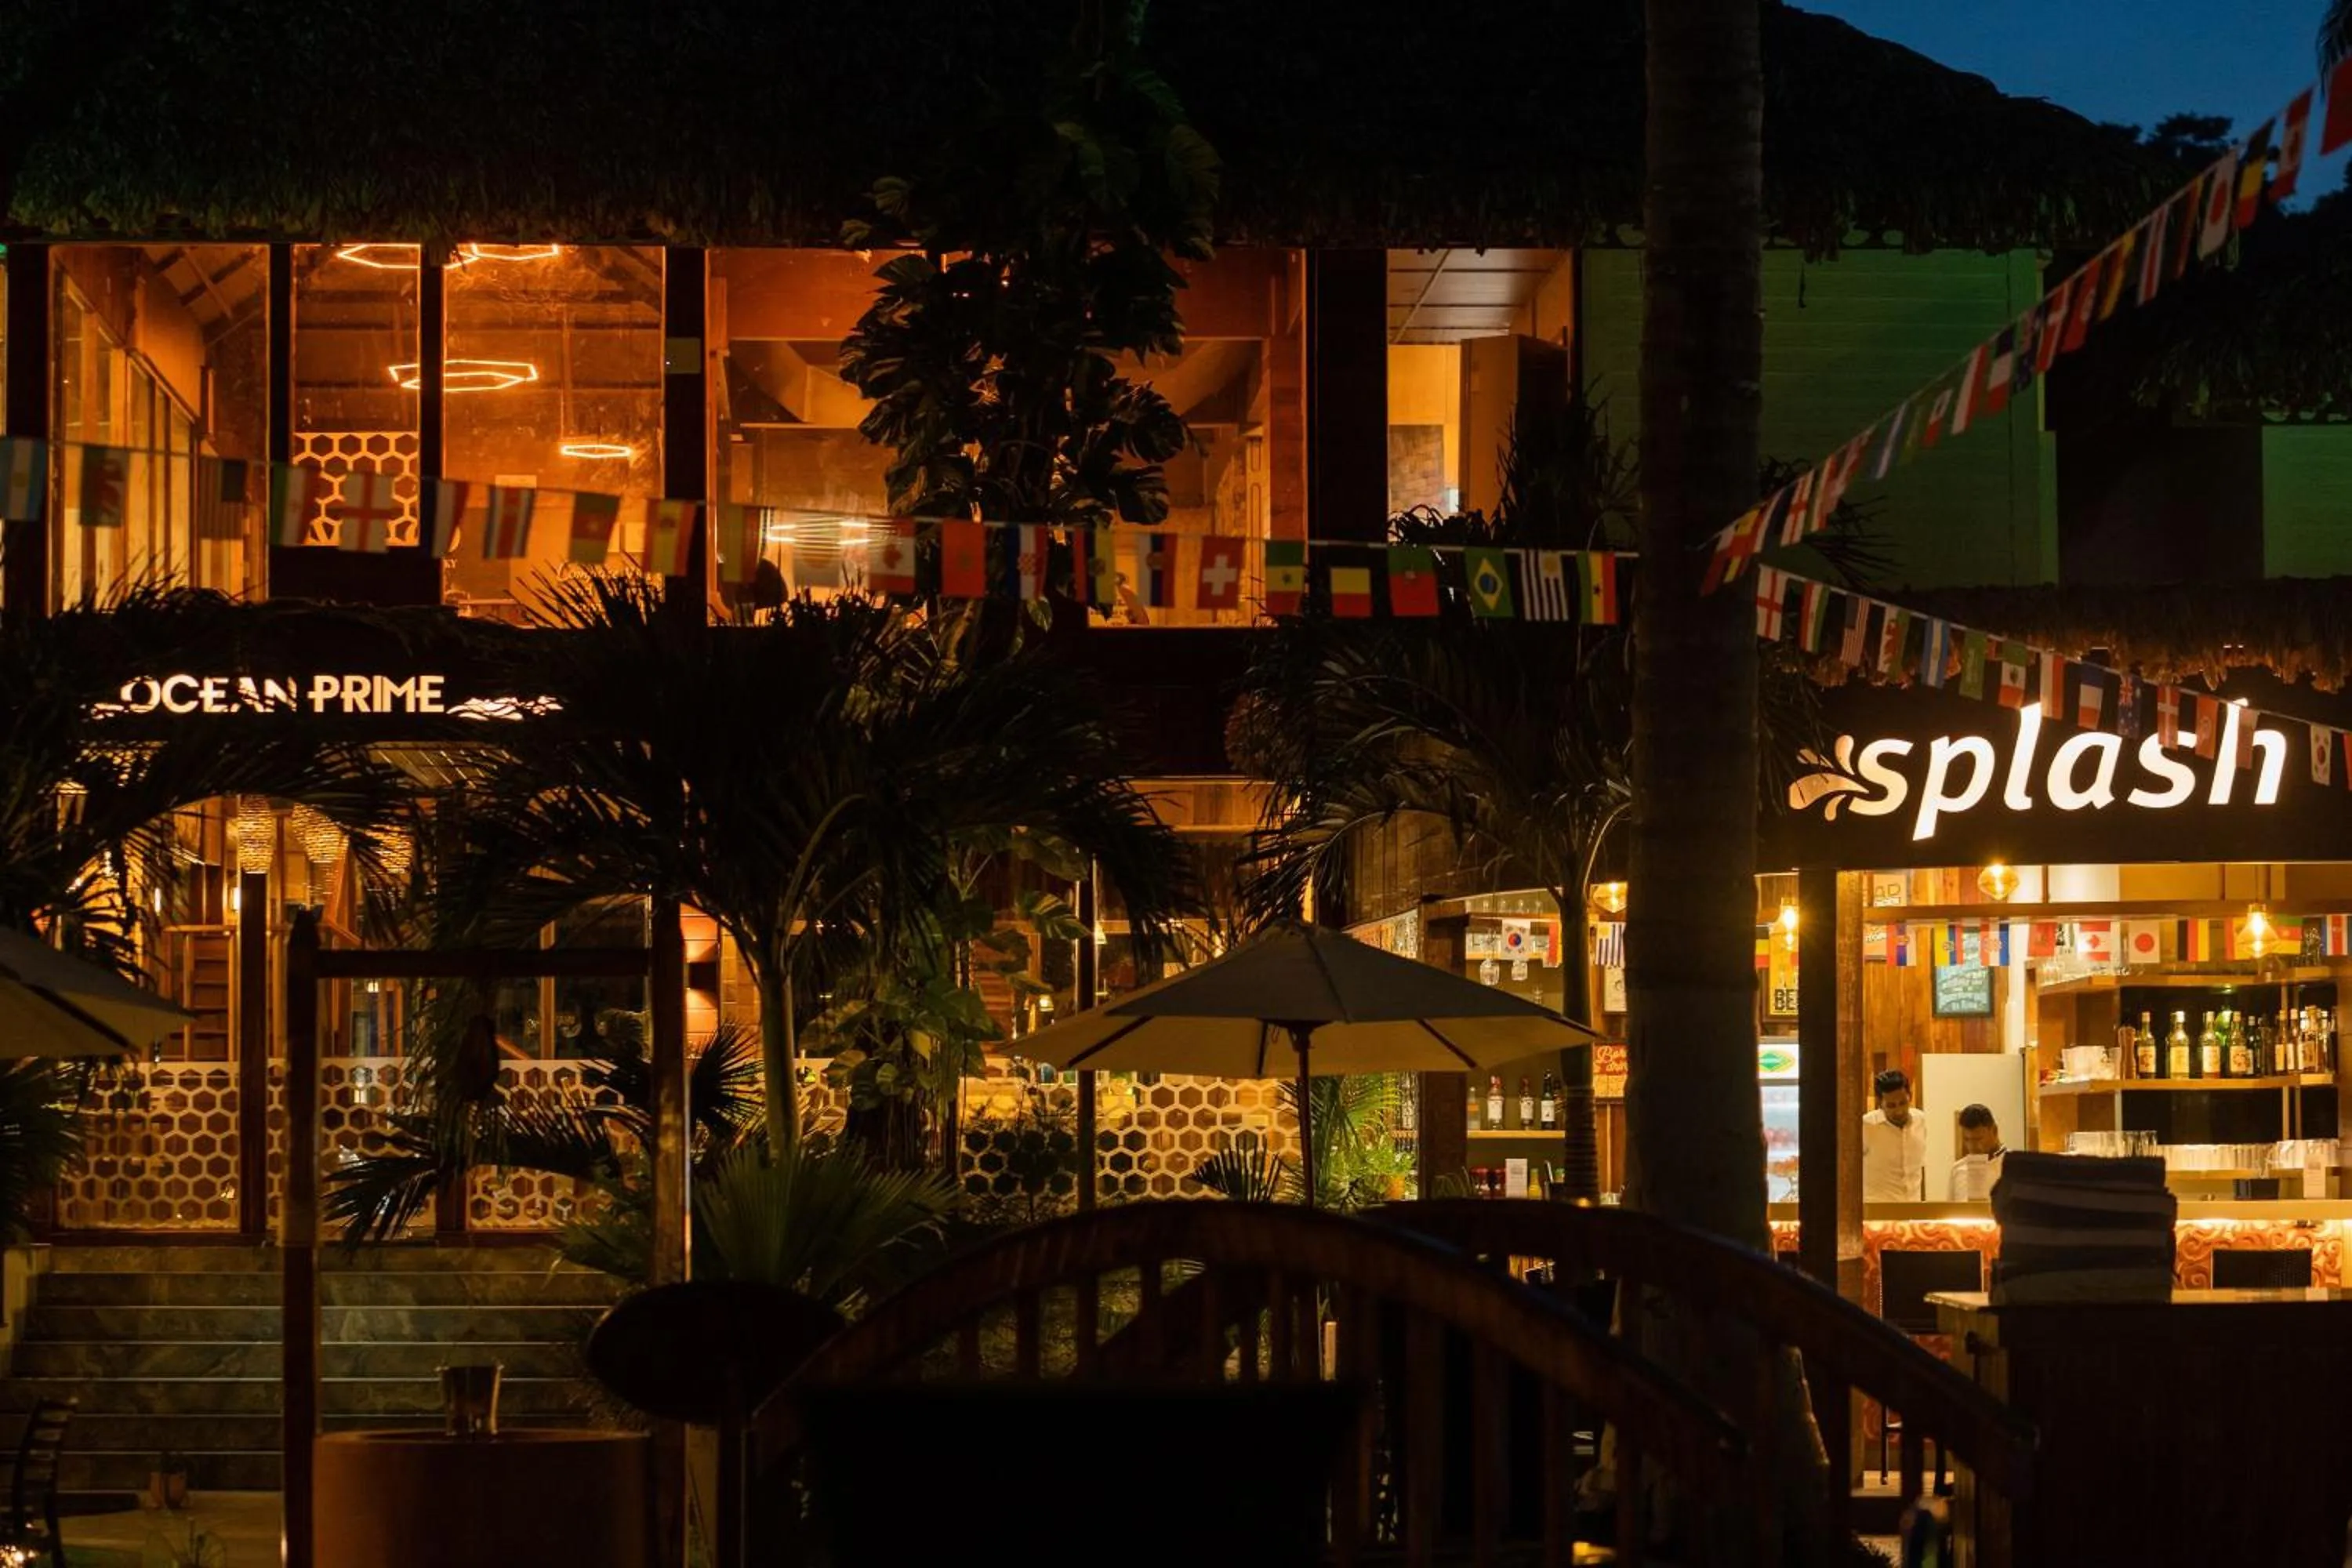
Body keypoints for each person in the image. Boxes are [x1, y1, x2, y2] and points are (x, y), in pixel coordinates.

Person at [1862, 1068, 1926, 1202]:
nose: (1899, 1111)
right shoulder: (1866, 1126)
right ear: (1880, 1103)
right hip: (1877, 1212)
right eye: (1891, 1106)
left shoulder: (1921, 1121)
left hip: (1913, 1210)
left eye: (1903, 1103)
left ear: (1910, 1095)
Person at [1947, 1102, 2008, 1201]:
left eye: (1978, 1139)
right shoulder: (1958, 1169)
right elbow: (1950, 1212)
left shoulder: (2011, 1167)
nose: (1972, 1147)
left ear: (1994, 1131)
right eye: (1967, 1139)